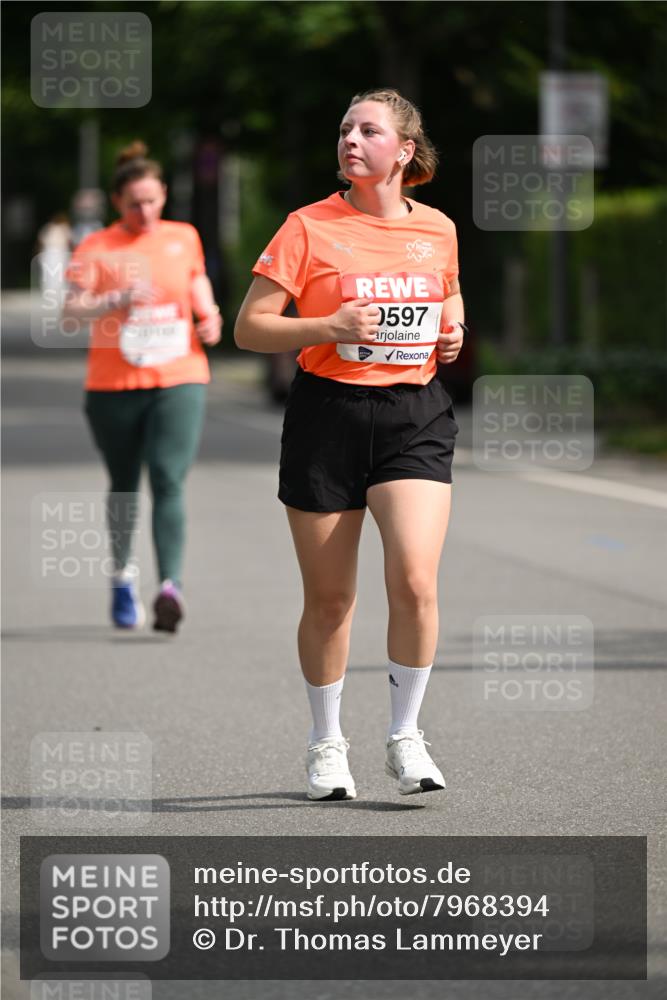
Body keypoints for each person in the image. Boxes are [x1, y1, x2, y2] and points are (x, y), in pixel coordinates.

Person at [235, 89, 465, 799]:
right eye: (344, 130)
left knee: (416, 580)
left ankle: (405, 736)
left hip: (413, 413)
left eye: (368, 131)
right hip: (327, 414)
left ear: (404, 151)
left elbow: (448, 295)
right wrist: (328, 327)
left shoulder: (437, 229)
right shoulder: (307, 226)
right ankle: (326, 743)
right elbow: (249, 327)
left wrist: (453, 329)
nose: (351, 140)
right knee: (331, 599)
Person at [63, 141, 222, 633]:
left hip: (179, 376)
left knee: (169, 478)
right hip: (113, 385)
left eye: (152, 201)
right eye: (135, 204)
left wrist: (209, 314)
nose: (145, 211)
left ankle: (170, 587)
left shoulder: (183, 236)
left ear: (164, 195)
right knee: (125, 483)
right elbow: (71, 312)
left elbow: (195, 280)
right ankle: (122, 575)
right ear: (118, 202)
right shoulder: (97, 247)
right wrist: (116, 298)